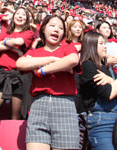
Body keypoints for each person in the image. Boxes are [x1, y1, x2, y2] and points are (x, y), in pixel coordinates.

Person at [15, 15, 81, 150]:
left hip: (65, 106)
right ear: (43, 29)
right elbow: (20, 63)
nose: (56, 29)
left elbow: (73, 60)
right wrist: (52, 59)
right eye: (52, 25)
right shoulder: (36, 52)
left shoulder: (68, 47)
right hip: (39, 105)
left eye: (61, 28)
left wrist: (42, 71)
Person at [0, 6, 35, 142]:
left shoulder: (29, 33)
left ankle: (11, 144)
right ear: (13, 16)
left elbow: (19, 42)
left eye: (23, 15)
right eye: (17, 13)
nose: (20, 16)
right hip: (3, 75)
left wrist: (5, 43)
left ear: (27, 19)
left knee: (15, 117)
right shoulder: (6, 31)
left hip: (19, 76)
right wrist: (16, 51)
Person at [79, 31, 117, 150]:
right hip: (101, 122)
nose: (105, 46)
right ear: (91, 45)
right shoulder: (87, 66)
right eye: (101, 43)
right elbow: (109, 93)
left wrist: (111, 80)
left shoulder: (107, 68)